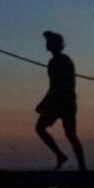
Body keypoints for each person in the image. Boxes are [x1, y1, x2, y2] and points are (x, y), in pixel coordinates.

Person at [35, 31, 86, 171]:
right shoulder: (55, 61)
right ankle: (73, 161)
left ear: (55, 45)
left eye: (49, 42)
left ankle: (79, 164)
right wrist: (45, 102)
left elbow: (57, 85)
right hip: (63, 101)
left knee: (69, 134)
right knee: (67, 133)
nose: (46, 44)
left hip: (63, 102)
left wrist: (44, 102)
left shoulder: (61, 61)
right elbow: (54, 86)